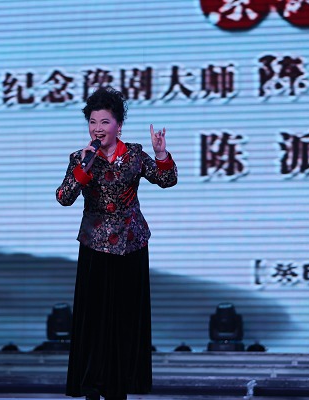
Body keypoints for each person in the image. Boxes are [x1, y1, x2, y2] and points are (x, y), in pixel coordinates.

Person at [56, 86, 178, 400]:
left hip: (131, 245)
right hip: (95, 246)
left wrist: (161, 154)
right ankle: (91, 385)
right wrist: (84, 167)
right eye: (93, 122)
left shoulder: (134, 155)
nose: (98, 128)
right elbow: (64, 197)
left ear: (118, 126)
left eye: (105, 122)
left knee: (126, 318)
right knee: (94, 319)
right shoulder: (81, 158)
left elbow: (167, 179)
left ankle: (122, 384)